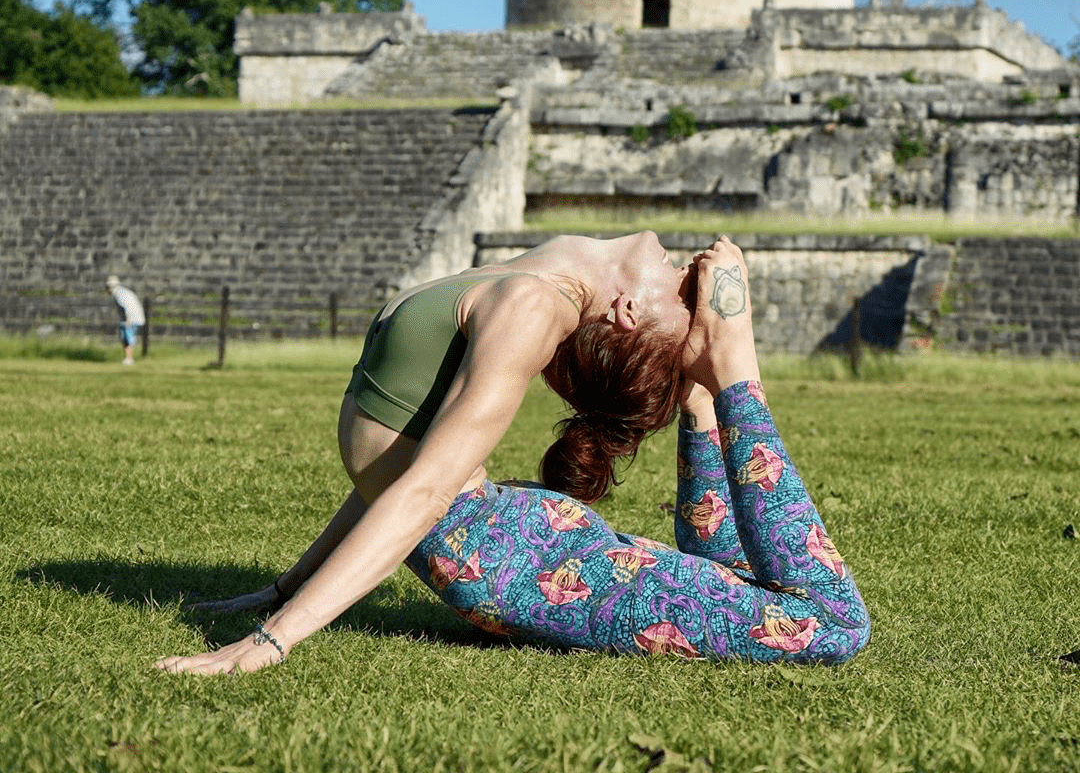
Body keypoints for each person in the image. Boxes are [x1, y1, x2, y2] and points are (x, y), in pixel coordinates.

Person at [154, 234, 869, 674]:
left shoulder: (532, 300)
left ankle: (714, 395)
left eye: (687, 295)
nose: (687, 274)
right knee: (790, 603)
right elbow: (409, 478)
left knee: (803, 613)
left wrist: (272, 634)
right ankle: (711, 394)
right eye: (691, 295)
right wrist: (281, 608)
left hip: (519, 556)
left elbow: (417, 489)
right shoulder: (531, 290)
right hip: (519, 552)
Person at [105, 275, 144, 366]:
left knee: (128, 338)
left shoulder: (119, 294)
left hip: (131, 318)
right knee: (126, 338)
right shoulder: (121, 292)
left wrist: (128, 320)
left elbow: (127, 307)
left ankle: (129, 358)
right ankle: (128, 358)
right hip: (133, 317)